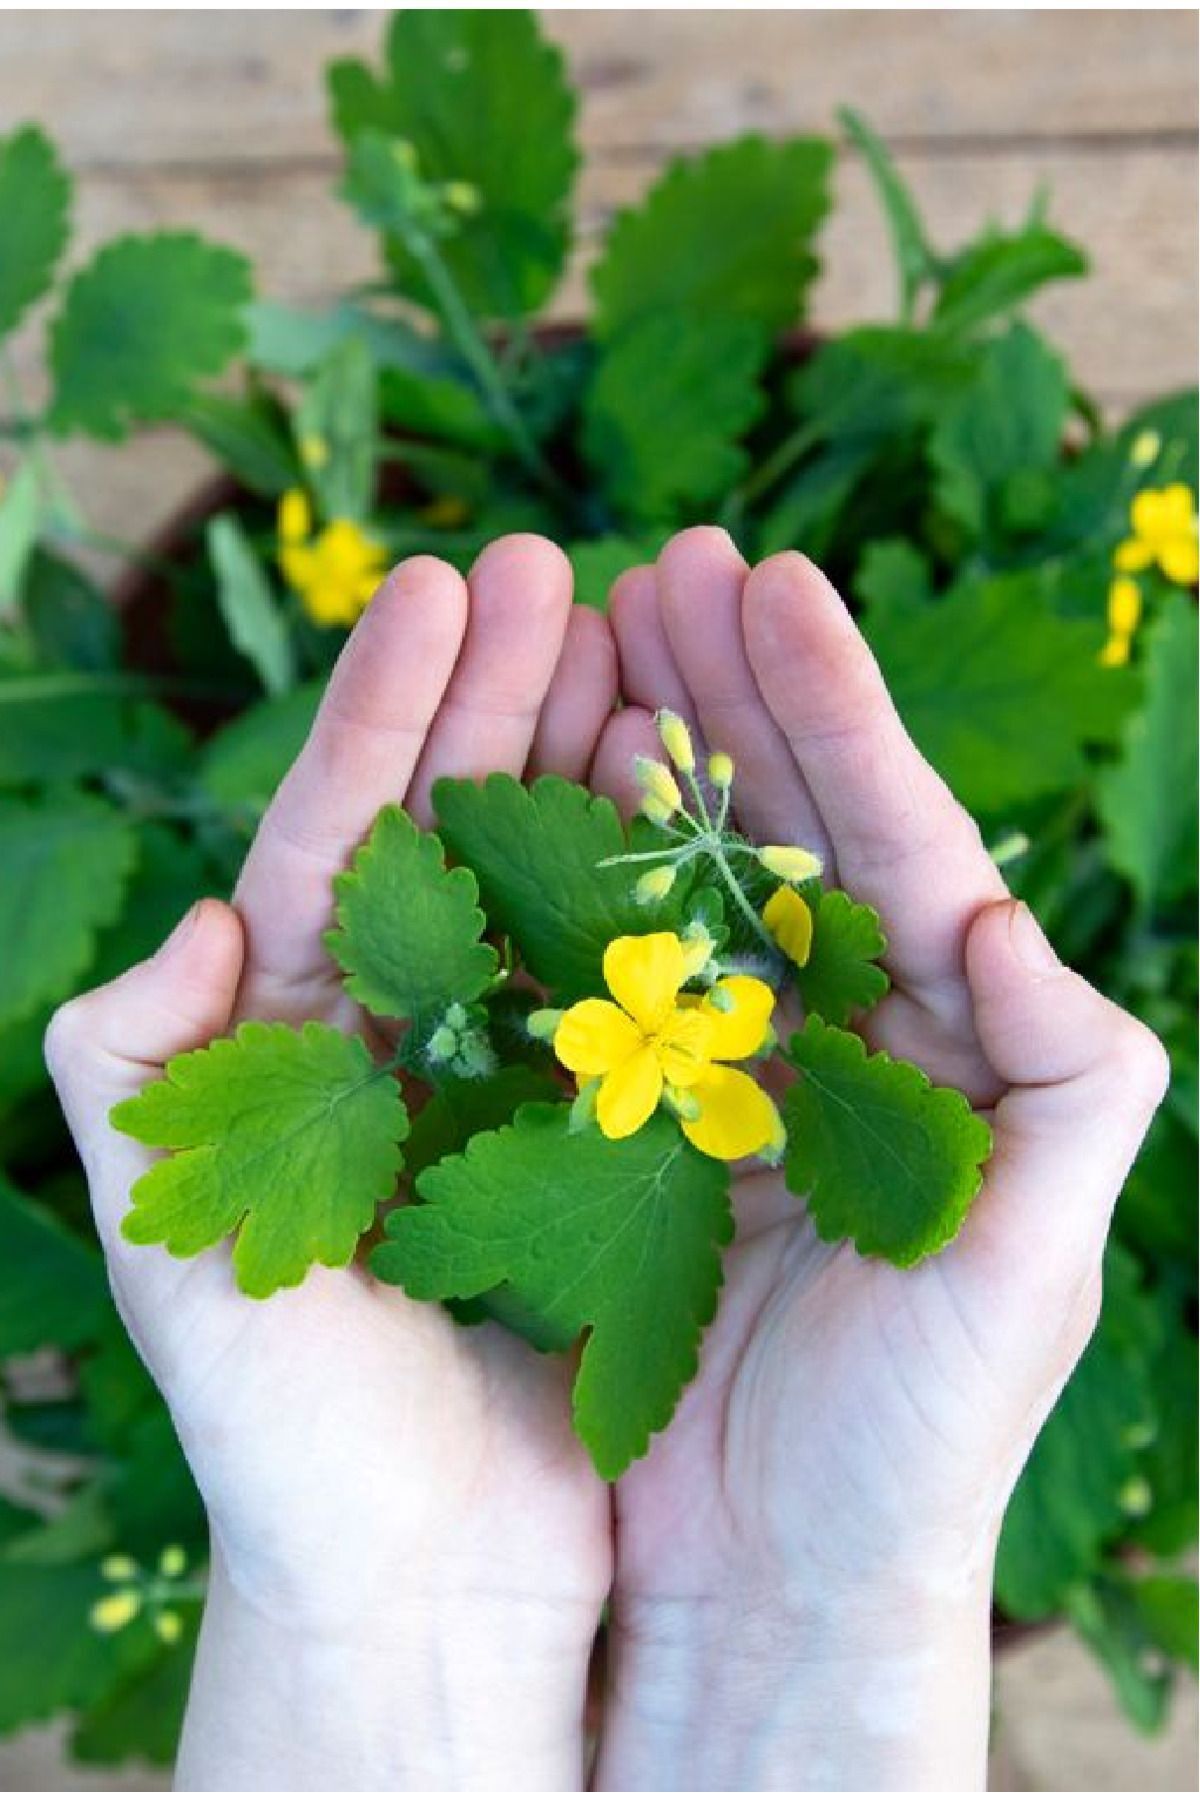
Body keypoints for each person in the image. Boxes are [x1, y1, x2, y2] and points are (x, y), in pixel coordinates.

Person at [46, 530, 1168, 1792]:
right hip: (617, 1051)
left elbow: (699, 1078)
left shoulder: (705, 1062)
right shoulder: (623, 1010)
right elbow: (585, 1036)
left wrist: (376, 1617)